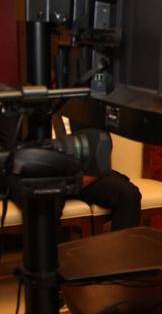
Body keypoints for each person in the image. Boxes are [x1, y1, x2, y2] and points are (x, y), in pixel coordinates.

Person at [0, 94, 141, 230]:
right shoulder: (16, 103)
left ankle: (122, 246)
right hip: (37, 176)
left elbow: (101, 141)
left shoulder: (81, 100)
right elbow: (11, 153)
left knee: (128, 194)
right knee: (44, 206)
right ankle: (53, 247)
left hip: (82, 172)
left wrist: (85, 176)